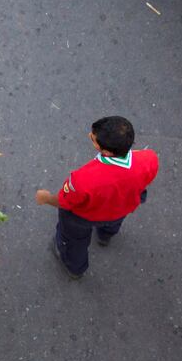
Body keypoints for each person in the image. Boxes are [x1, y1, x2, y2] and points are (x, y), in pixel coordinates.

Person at [35, 116, 158, 279]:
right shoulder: (149, 158)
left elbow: (65, 202)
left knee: (73, 241)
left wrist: (46, 198)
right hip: (122, 207)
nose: (89, 136)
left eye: (94, 139)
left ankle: (75, 268)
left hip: (85, 217)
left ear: (106, 152)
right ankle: (105, 236)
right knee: (113, 221)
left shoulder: (82, 180)